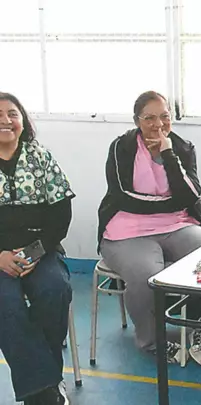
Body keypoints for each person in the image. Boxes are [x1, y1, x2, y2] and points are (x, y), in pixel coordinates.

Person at [97, 91, 201, 366]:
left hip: (177, 224)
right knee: (146, 276)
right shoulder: (121, 147)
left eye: (164, 116)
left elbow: (191, 195)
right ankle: (151, 341)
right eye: (149, 118)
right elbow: (122, 196)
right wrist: (170, 202)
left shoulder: (182, 147)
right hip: (128, 229)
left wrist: (168, 154)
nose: (158, 124)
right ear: (137, 121)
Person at [0, 92, 75, 404]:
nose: (6, 121)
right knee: (6, 304)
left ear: (23, 120)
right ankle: (44, 388)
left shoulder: (41, 158)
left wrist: (34, 252)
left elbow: (61, 215)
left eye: (12, 114)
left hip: (40, 251)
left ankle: (43, 384)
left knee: (54, 290)